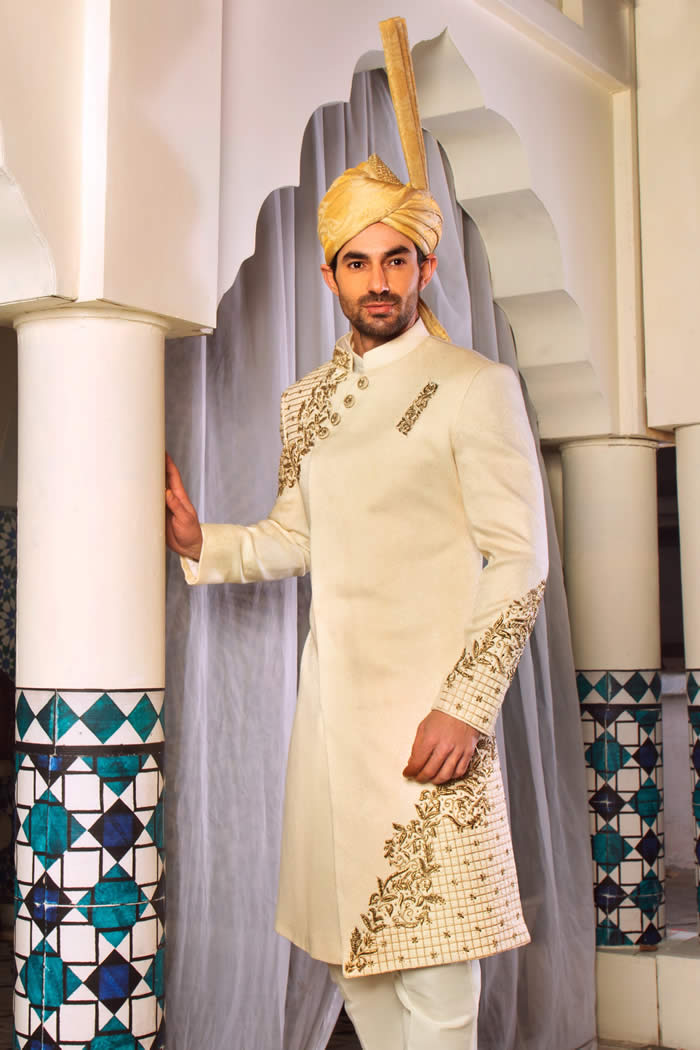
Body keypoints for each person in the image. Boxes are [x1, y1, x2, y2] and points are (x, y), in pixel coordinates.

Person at [166, 153, 548, 1050]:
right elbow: (297, 536)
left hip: (431, 721)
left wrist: (465, 706)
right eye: (358, 262)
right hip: (334, 725)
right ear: (330, 274)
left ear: (426, 268)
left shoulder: (475, 387)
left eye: (395, 260)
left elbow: (518, 558)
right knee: (354, 965)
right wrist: (201, 542)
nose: (378, 282)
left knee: (438, 971)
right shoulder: (309, 404)